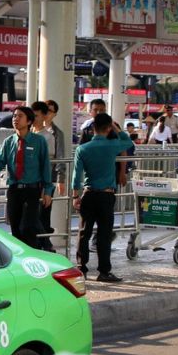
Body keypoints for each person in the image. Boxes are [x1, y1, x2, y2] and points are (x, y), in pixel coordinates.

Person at [72, 113, 133, 283]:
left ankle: (81, 268)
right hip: (106, 195)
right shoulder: (112, 145)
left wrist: (75, 195)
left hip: (88, 194)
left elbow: (76, 175)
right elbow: (128, 142)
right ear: (108, 128)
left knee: (84, 233)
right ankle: (104, 272)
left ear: (93, 128)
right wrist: (116, 128)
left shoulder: (82, 149)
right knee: (104, 235)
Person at [0, 105, 53, 249]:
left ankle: (35, 255)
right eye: (14, 116)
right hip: (14, 189)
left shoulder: (39, 141)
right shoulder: (9, 141)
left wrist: (48, 190)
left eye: (20, 116)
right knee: (15, 227)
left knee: (28, 227)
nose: (15, 119)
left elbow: (45, 166)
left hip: (32, 190)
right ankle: (22, 257)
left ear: (29, 121)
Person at [32, 100, 66, 252]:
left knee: (44, 211)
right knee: (36, 212)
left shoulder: (56, 134)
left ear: (54, 114)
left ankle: (45, 243)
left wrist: (60, 179)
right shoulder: (30, 130)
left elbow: (59, 157)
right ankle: (42, 242)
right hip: (32, 179)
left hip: (48, 178)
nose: (47, 113)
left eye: (50, 111)